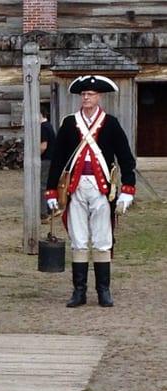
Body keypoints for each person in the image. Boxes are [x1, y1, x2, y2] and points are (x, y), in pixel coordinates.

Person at [45, 75, 136, 308]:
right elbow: (57, 160)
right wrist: (51, 191)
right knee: (79, 239)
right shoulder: (69, 123)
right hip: (75, 188)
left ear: (99, 97)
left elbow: (126, 158)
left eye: (91, 94)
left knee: (103, 239)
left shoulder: (111, 123)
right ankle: (79, 291)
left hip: (101, 189)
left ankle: (103, 291)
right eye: (83, 94)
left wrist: (127, 189)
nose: (86, 97)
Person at [40, 105, 57, 224]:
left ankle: (44, 213)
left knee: (42, 186)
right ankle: (52, 208)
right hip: (51, 160)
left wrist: (34, 157)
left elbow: (43, 146)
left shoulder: (43, 127)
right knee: (49, 184)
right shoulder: (49, 125)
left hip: (46, 160)